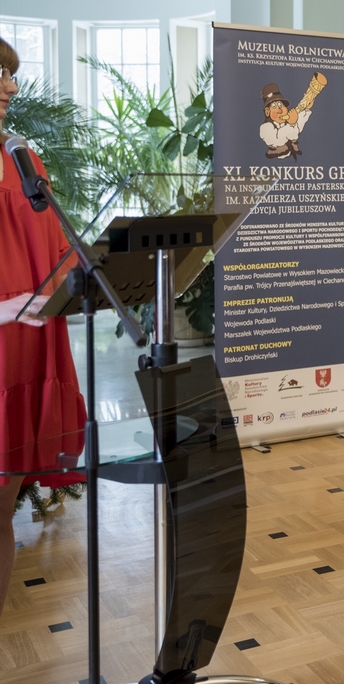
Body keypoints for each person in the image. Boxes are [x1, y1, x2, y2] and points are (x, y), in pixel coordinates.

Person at [0, 38, 86, 619]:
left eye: (11, 74)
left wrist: (81, 273)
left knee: (1, 511)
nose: (10, 86)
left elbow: (55, 248)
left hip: (28, 350)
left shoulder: (22, 160)